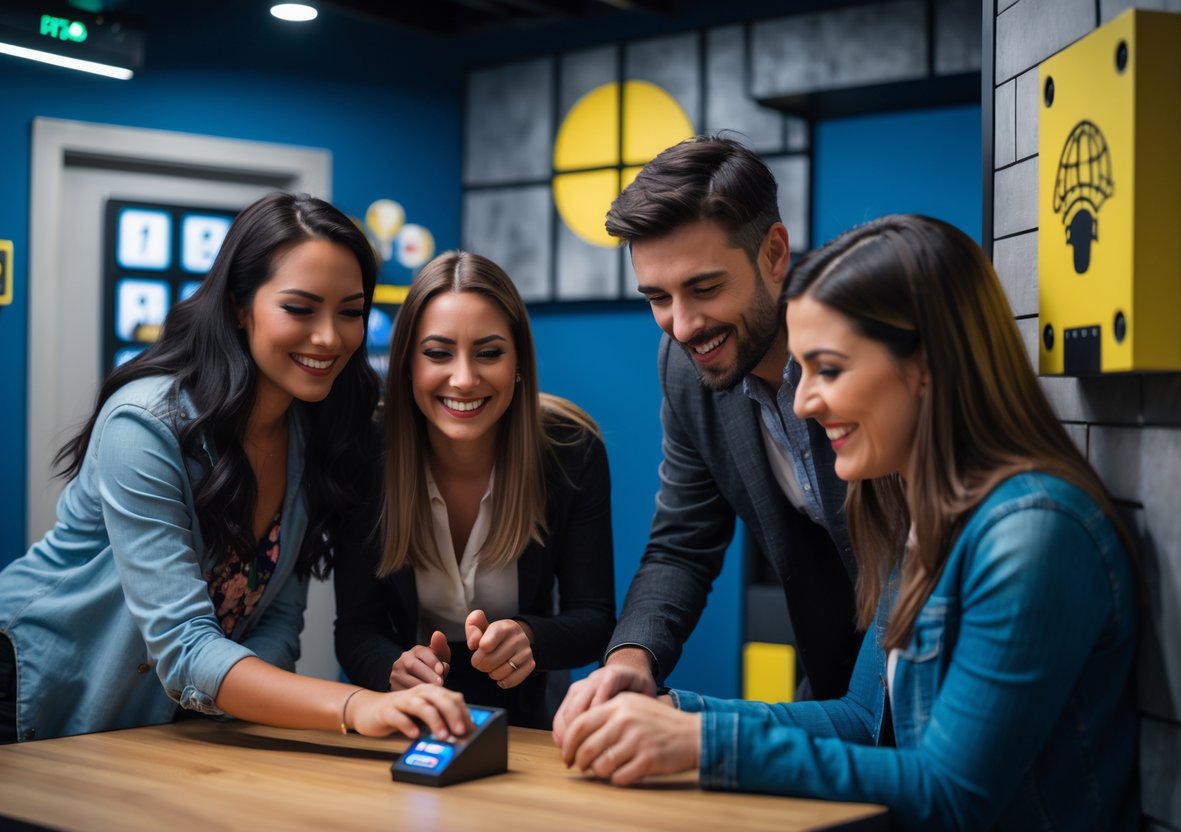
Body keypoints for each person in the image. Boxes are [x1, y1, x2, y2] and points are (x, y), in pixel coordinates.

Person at [557, 215, 1139, 830]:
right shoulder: (926, 518)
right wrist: (669, 710)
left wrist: (704, 748)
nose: (802, 402)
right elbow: (864, 720)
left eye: (828, 370)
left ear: (928, 365)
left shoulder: (1033, 535)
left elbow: (953, 794)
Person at [0, 192, 468, 747]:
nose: (330, 337)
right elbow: (184, 643)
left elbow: (275, 618)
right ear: (238, 305)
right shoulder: (145, 423)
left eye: (350, 312)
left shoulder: (320, 429)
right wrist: (355, 706)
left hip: (159, 711)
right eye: (299, 309)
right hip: (24, 686)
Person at [553, 135, 860, 738]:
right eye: (658, 298)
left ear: (774, 254)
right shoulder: (682, 368)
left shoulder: (861, 348)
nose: (683, 325)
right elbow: (682, 544)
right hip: (838, 680)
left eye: (704, 288)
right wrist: (631, 660)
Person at [334, 251, 615, 729]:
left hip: (528, 722)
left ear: (519, 363)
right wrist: (391, 666)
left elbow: (593, 617)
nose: (463, 379)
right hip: (397, 720)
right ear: (406, 365)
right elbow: (357, 628)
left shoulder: (570, 449)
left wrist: (531, 636)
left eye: (489, 353)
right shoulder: (364, 451)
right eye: (438, 353)